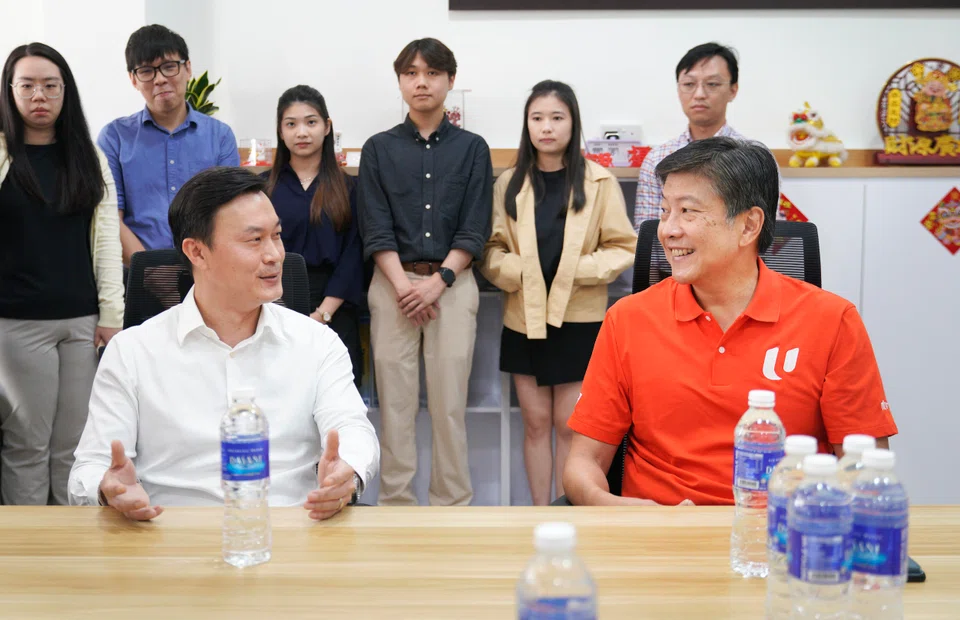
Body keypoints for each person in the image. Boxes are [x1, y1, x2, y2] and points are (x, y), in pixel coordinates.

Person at [563, 137, 899, 507]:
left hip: (780, 542)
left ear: (748, 225)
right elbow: (584, 462)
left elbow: (864, 472)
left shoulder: (833, 322)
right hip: (658, 542)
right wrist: (618, 509)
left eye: (688, 211)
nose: (668, 230)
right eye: (664, 211)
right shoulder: (626, 319)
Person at [68, 167, 378, 521]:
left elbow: (353, 429)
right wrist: (109, 489)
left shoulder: (317, 343)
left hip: (291, 533)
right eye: (254, 240)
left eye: (276, 236)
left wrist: (347, 472)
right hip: (168, 541)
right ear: (197, 253)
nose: (274, 255)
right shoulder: (133, 351)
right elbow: (89, 469)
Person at [481, 80, 636, 505]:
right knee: (535, 423)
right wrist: (522, 271)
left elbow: (623, 246)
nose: (546, 127)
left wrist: (575, 271)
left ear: (573, 123)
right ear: (527, 125)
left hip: (579, 319)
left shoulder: (599, 182)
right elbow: (490, 250)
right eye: (537, 118)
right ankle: (538, 511)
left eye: (556, 117)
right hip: (524, 317)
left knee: (569, 424)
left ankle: (567, 510)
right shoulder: (509, 183)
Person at [358, 38, 492, 506]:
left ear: (450, 81)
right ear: (400, 82)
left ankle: (451, 507)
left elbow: (475, 228)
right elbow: (374, 227)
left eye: (432, 73)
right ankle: (396, 506)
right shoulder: (378, 148)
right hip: (391, 284)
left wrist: (438, 283)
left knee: (448, 407)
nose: (422, 81)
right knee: (394, 407)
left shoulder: (473, 149)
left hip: (452, 286)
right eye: (411, 73)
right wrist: (403, 286)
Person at [0, 43, 123, 505]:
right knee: (27, 445)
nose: (39, 96)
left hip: (81, 322)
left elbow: (107, 241)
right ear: (10, 91)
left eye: (50, 86)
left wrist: (112, 315)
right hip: (15, 323)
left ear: (65, 91)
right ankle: (26, 559)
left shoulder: (87, 157)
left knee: (73, 448)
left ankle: (74, 552)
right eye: (27, 85)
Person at [97, 24, 239, 263]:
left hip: (208, 269)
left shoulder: (220, 137)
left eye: (169, 67)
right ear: (133, 79)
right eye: (146, 71)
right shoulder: (114, 137)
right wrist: (150, 271)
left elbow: (229, 214)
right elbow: (111, 216)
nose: (160, 79)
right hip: (137, 272)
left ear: (188, 68)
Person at [263, 85, 363, 387]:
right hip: (273, 307)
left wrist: (322, 314)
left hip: (335, 308)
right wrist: (280, 311)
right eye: (291, 124)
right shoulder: (262, 189)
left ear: (327, 127)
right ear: (281, 132)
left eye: (311, 122)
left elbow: (354, 254)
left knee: (336, 401)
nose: (301, 132)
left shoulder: (348, 188)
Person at [634, 42, 783, 230]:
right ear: (678, 89)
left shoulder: (756, 158)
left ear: (733, 90)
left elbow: (767, 233)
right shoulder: (657, 159)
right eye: (689, 84)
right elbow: (645, 236)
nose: (699, 94)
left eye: (712, 84)